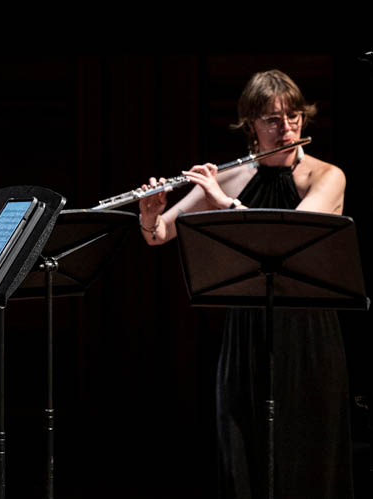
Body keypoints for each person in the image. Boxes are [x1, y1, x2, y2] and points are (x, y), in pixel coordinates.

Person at [138, 69, 353, 498]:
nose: (286, 128)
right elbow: (160, 233)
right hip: (247, 328)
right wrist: (149, 210)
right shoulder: (231, 175)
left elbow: (289, 238)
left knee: (303, 450)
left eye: (293, 117)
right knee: (245, 448)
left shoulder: (326, 176)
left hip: (305, 326)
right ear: (250, 124)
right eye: (272, 119)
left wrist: (224, 205)